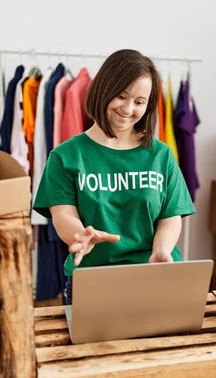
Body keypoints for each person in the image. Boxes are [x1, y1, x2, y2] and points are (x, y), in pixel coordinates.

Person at [33, 49, 195, 304]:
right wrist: (80, 234)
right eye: (121, 96)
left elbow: (170, 216)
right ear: (103, 90)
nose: (129, 108)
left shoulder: (161, 155)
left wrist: (162, 250)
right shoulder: (65, 157)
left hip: (153, 278)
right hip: (94, 282)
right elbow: (62, 214)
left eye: (140, 101)